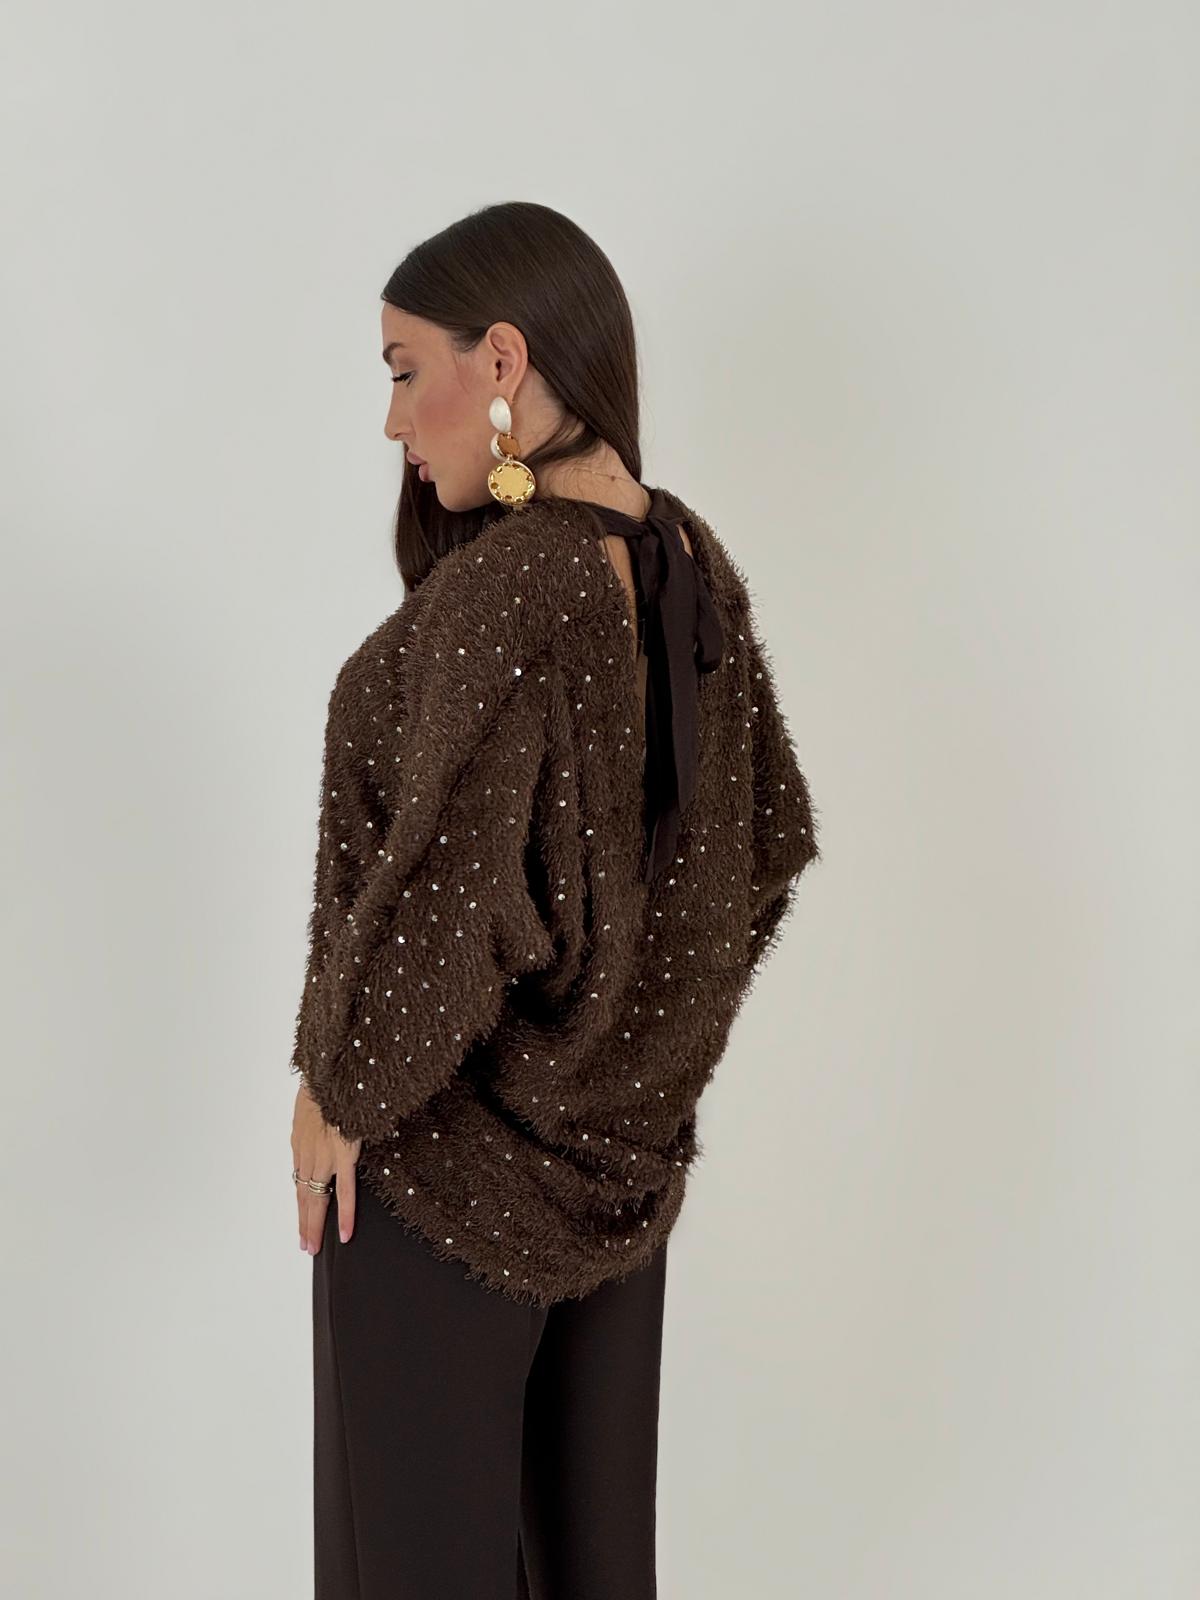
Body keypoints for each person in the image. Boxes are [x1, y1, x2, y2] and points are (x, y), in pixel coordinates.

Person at [288, 201, 821, 1599]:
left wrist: (338, 1084)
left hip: (436, 1185)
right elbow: (766, 845)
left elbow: (455, 897)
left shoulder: (513, 592)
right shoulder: (688, 562)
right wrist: (623, 1070)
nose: (392, 422)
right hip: (613, 1193)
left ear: (505, 360)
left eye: (406, 371)